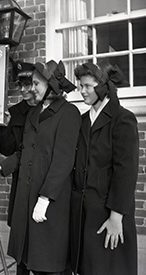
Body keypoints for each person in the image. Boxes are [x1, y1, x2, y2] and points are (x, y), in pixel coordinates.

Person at [0, 60, 81, 275]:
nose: (32, 88)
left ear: (52, 85)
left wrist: (45, 198)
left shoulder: (69, 113)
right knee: (24, 261)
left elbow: (63, 161)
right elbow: (24, 151)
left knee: (49, 261)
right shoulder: (34, 113)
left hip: (50, 199)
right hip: (26, 196)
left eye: (37, 83)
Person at [70, 62, 138, 275]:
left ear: (103, 87)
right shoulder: (82, 121)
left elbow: (126, 171)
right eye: (80, 86)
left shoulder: (122, 119)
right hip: (84, 213)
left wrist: (116, 216)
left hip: (109, 213)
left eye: (87, 86)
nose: (82, 91)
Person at [0, 62, 36, 226]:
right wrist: (4, 127)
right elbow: (6, 149)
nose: (22, 90)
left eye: (27, 85)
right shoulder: (15, 112)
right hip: (21, 178)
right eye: (20, 85)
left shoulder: (47, 110)